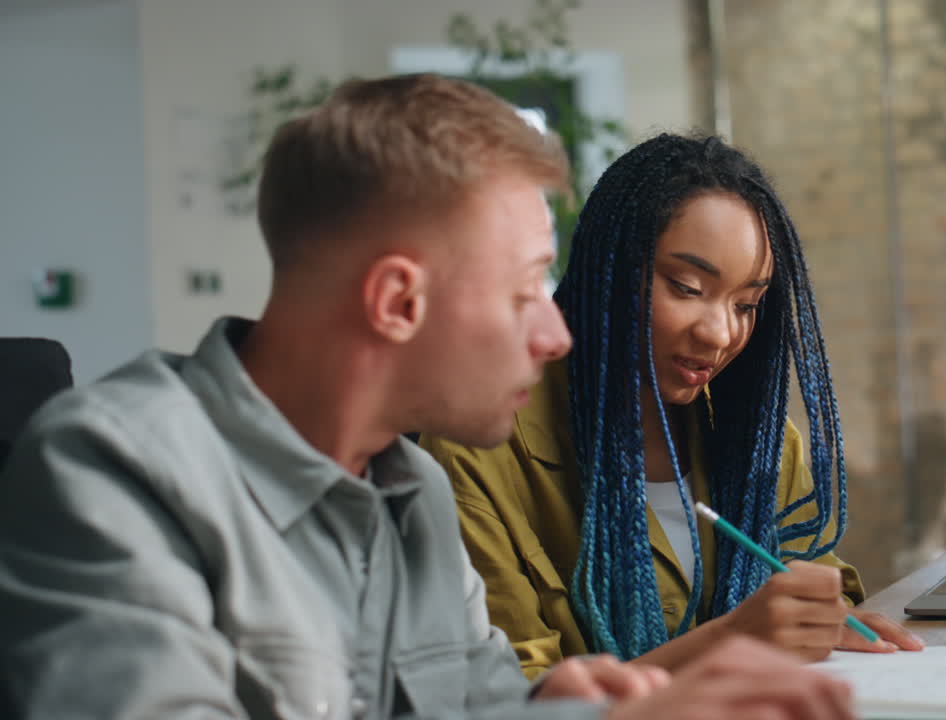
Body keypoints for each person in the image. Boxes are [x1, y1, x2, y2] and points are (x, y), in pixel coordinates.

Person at [0, 75, 856, 720]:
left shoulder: (409, 489)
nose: (558, 337)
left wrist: (566, 706)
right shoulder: (112, 472)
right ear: (398, 302)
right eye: (526, 294)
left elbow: (478, 704)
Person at [424, 133, 923, 680]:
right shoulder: (479, 449)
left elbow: (820, 587)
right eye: (686, 287)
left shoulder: (764, 443)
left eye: (747, 304)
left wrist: (832, 618)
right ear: (607, 269)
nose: (720, 333)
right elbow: (516, 697)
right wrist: (730, 640)